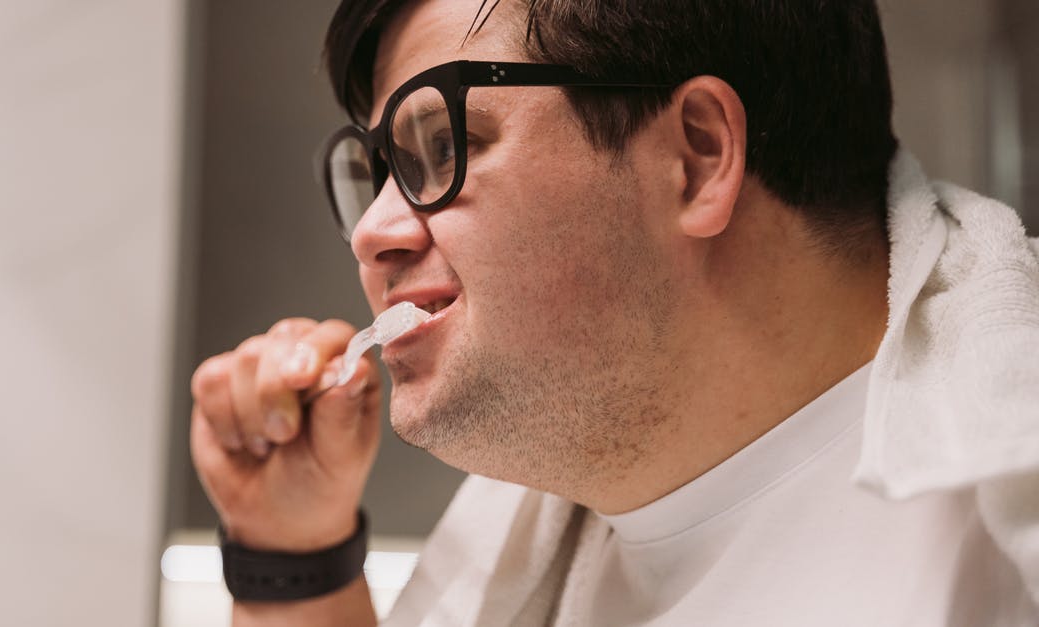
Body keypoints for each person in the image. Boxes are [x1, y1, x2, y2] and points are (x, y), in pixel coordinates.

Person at [189, 0, 1039, 624]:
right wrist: (293, 555)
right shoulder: (558, 544)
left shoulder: (996, 555)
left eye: (443, 145)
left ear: (697, 156)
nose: (372, 231)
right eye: (373, 168)